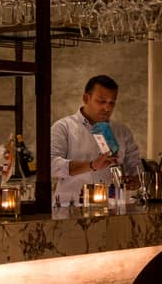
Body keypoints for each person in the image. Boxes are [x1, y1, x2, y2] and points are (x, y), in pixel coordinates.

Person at [50, 75, 142, 207]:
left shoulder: (122, 131)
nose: (107, 108)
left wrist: (135, 181)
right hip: (71, 208)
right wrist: (92, 165)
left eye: (112, 102)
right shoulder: (63, 127)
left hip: (114, 210)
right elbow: (51, 165)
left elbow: (136, 168)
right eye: (101, 101)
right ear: (86, 98)